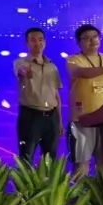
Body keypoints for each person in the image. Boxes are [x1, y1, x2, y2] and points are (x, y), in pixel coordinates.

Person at [66, 24, 103, 176]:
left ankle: (102, 190)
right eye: (86, 38)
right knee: (81, 162)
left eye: (95, 37)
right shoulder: (73, 60)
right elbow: (80, 72)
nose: (92, 41)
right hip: (82, 118)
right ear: (78, 42)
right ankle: (79, 191)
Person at [13, 27, 63, 163]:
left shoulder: (52, 67)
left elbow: (56, 94)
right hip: (31, 116)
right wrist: (26, 72)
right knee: (26, 156)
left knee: (51, 158)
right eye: (33, 40)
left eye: (40, 40)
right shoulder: (20, 62)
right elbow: (21, 70)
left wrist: (59, 121)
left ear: (45, 42)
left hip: (51, 116)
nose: (37, 43)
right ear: (27, 43)